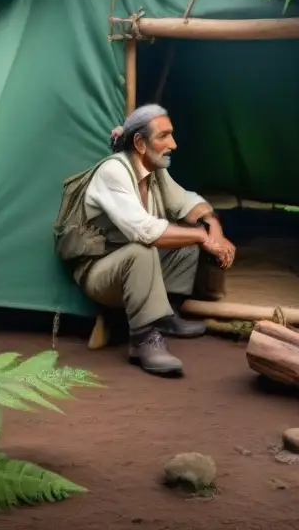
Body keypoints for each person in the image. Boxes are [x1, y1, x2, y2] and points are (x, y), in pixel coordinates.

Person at [53, 104, 236, 376]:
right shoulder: (113, 172)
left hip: (135, 261)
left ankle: (167, 316)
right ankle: (144, 339)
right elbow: (145, 231)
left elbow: (186, 201)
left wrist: (212, 227)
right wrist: (200, 236)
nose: (173, 144)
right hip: (99, 272)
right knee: (145, 249)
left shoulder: (154, 169)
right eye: (163, 136)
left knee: (183, 247)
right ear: (140, 143)